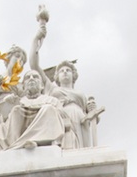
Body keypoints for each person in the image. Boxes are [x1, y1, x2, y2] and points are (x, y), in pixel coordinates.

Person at [29, 17, 100, 149]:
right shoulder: (51, 88)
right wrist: (37, 37)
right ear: (57, 76)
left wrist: (92, 110)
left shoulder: (81, 95)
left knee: (81, 152)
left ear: (74, 76)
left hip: (80, 120)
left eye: (68, 70)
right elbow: (34, 64)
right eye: (62, 71)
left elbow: (92, 117)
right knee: (64, 151)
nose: (65, 72)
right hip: (61, 119)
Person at [0, 69, 65, 151]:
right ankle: (18, 144)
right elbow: (6, 123)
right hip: (22, 128)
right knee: (16, 110)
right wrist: (8, 104)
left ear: (42, 86)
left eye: (35, 77)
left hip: (46, 127)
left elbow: (62, 117)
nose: (31, 78)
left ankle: (36, 140)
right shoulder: (19, 102)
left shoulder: (52, 100)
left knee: (49, 108)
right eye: (27, 77)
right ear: (23, 86)